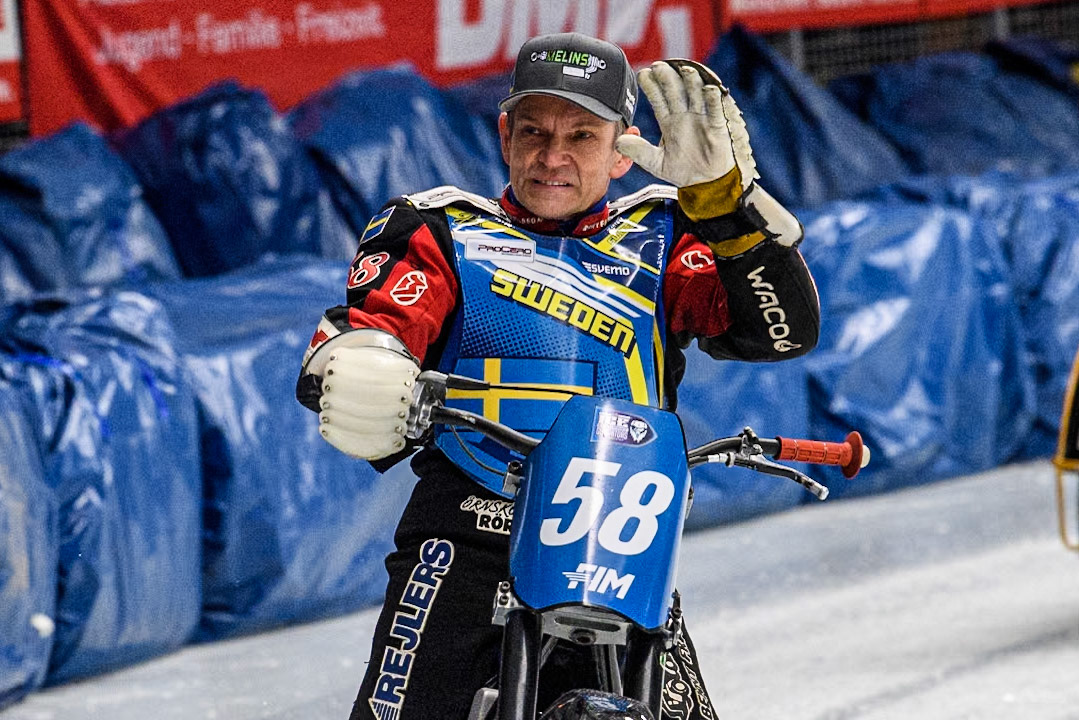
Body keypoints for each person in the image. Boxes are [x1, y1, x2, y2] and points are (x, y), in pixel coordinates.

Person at [296, 32, 820, 720]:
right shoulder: (439, 227)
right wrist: (361, 364)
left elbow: (776, 334)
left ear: (624, 147)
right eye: (534, 131)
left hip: (618, 533)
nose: (552, 156)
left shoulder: (669, 233)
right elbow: (371, 331)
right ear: (504, 131)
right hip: (469, 525)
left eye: (581, 134)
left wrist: (727, 211)